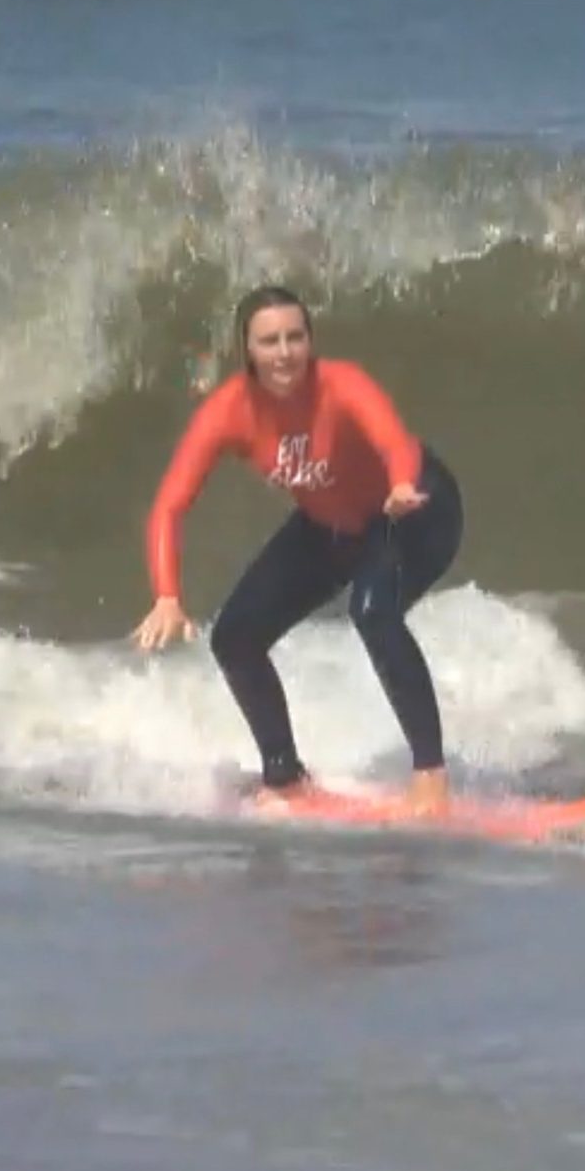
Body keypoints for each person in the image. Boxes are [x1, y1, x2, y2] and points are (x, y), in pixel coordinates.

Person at [133, 285, 463, 815]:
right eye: (269, 341)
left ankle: (431, 780)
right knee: (236, 636)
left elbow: (392, 440)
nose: (284, 352)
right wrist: (167, 595)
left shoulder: (342, 384)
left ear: (310, 340)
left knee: (374, 613)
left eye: (295, 337)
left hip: (415, 510)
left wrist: (400, 482)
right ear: (247, 350)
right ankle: (284, 777)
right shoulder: (228, 412)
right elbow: (169, 506)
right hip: (331, 522)